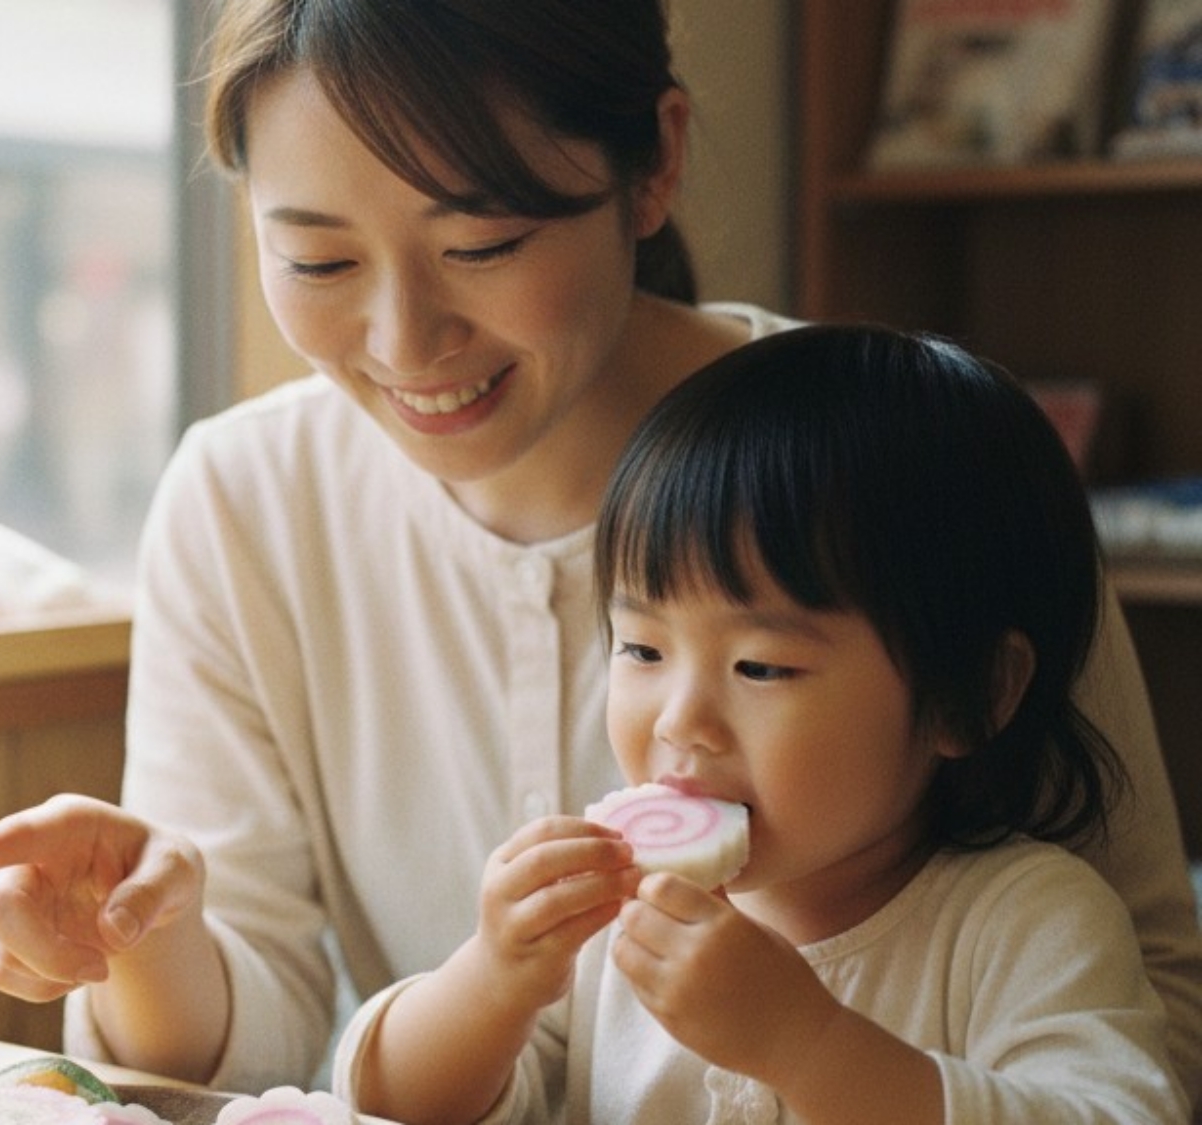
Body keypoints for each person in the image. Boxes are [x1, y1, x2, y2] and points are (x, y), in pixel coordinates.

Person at [0, 0, 1202, 1100]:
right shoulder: (241, 497)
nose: (404, 341)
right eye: (316, 258)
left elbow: (1150, 1023)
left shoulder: (908, 470)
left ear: (651, 164)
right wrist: (141, 934)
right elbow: (265, 1063)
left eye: (480, 246)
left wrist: (816, 1052)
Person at [330, 324, 1190, 1125]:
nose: (682, 720)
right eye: (642, 648)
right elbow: (390, 1101)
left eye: (762, 666)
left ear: (969, 694)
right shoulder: (615, 913)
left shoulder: (1025, 921)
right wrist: (493, 979)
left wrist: (806, 1045)